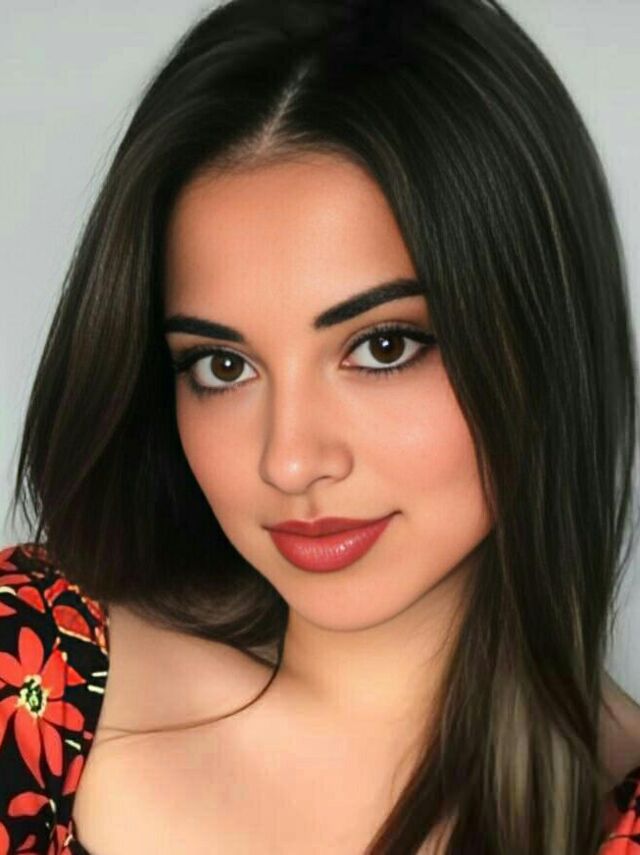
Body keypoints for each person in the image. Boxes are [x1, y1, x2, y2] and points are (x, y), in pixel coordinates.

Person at [1, 0, 639, 852]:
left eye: (382, 346)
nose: (291, 461)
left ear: (541, 340)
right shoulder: (26, 663)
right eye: (222, 366)